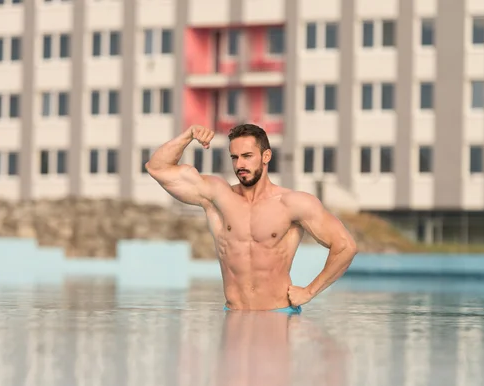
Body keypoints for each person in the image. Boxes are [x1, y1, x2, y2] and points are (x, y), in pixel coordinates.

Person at [145, 123, 358, 313]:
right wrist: (189, 134)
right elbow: (157, 168)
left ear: (266, 156)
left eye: (247, 156)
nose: (240, 165)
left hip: (278, 316)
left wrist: (309, 292)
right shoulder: (218, 197)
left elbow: (345, 246)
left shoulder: (292, 203)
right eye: (234, 157)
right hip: (234, 315)